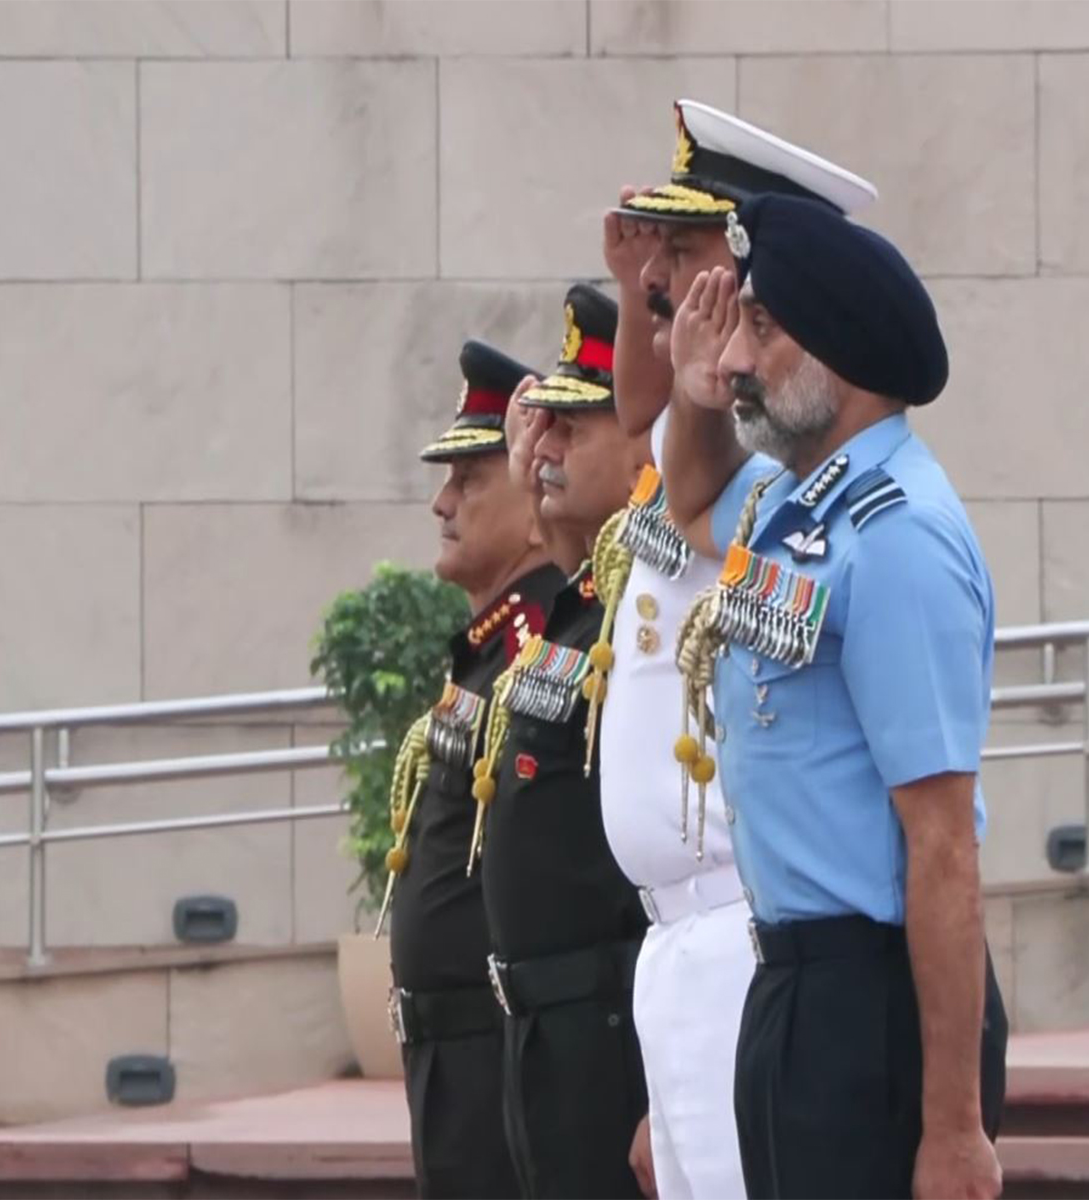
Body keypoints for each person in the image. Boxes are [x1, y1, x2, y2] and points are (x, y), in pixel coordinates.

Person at [662, 194, 1009, 1200]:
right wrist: (688, 395)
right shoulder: (789, 501)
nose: (734, 359)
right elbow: (685, 501)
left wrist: (952, 1130)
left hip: (876, 1005)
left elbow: (942, 844)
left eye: (760, 329)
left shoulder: (897, 537)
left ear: (839, 354)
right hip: (794, 990)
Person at [593, 99, 879, 1199]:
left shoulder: (781, 472)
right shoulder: (699, 446)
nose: (668, 279)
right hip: (680, 943)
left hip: (745, 919)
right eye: (662, 257)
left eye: (691, 253)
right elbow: (644, 420)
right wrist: (636, 296)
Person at [471, 283, 653, 1199]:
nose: (547, 452)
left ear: (642, 446)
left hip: (607, 1020)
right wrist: (530, 479)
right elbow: (562, 562)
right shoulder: (582, 606)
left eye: (574, 430)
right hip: (544, 1022)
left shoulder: (643, 604)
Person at [380, 339, 565, 1198]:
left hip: (498, 1054)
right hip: (452, 1059)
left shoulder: (538, 655)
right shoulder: (491, 655)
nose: (440, 503)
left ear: (534, 506)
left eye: (469, 480)